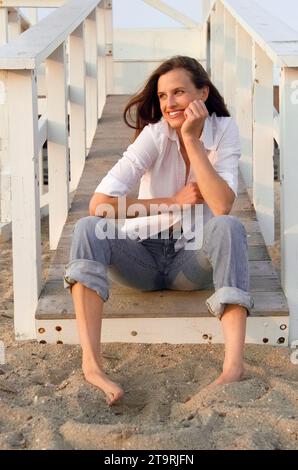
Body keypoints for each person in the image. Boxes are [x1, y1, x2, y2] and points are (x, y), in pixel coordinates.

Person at [64, 56, 254, 406]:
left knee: (228, 227)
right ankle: (92, 366)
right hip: (143, 258)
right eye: (164, 95)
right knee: (89, 228)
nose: (169, 103)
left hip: (191, 260)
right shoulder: (153, 135)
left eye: (179, 92)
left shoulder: (224, 131)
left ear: (203, 93)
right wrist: (171, 201)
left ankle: (233, 367)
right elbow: (100, 204)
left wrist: (193, 141)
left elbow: (222, 204)